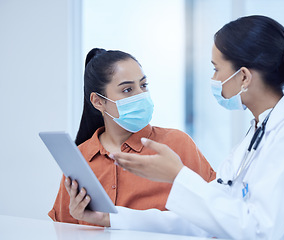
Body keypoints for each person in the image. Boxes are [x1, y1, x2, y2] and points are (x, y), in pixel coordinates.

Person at [65, 16, 284, 239]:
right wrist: (110, 219)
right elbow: (208, 219)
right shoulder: (255, 137)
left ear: (243, 77)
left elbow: (258, 229)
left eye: (217, 68)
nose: (214, 78)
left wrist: (177, 174)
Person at [48, 48, 216, 226]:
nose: (141, 95)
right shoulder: (80, 158)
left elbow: (215, 217)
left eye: (143, 85)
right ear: (98, 101)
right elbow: (61, 228)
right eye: (127, 90)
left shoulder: (177, 144)